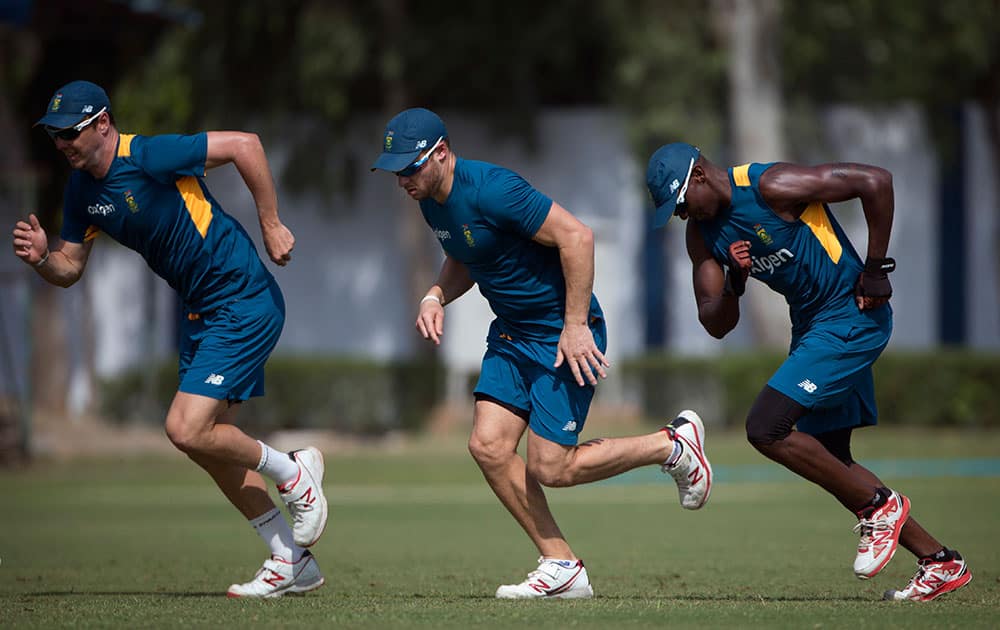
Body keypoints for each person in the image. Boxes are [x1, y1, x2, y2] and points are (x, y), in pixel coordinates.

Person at [372, 108, 713, 599]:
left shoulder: (493, 188)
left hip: (562, 334)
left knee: (551, 467)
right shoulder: (430, 200)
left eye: (410, 167)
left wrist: (575, 327)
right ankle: (562, 565)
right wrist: (434, 294)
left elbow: (578, 237)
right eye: (396, 170)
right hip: (512, 334)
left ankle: (673, 445)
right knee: (488, 446)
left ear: (441, 153)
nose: (402, 179)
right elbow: (468, 254)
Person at [12, 80, 329, 598]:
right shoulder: (81, 191)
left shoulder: (150, 155)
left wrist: (271, 223)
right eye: (54, 136)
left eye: (70, 132)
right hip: (202, 312)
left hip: (242, 296)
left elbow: (246, 144)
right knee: (207, 446)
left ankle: (293, 473)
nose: (62, 143)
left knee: (184, 428)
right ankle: (289, 557)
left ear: (103, 124)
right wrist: (44, 259)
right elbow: (70, 268)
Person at [646, 142, 973, 602]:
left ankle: (881, 507)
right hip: (812, 327)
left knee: (765, 427)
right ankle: (939, 562)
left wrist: (877, 269)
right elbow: (714, 322)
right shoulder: (701, 236)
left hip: (851, 316)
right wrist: (735, 285)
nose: (680, 216)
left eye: (680, 204)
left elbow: (876, 181)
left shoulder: (769, 185)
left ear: (699, 175)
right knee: (831, 459)